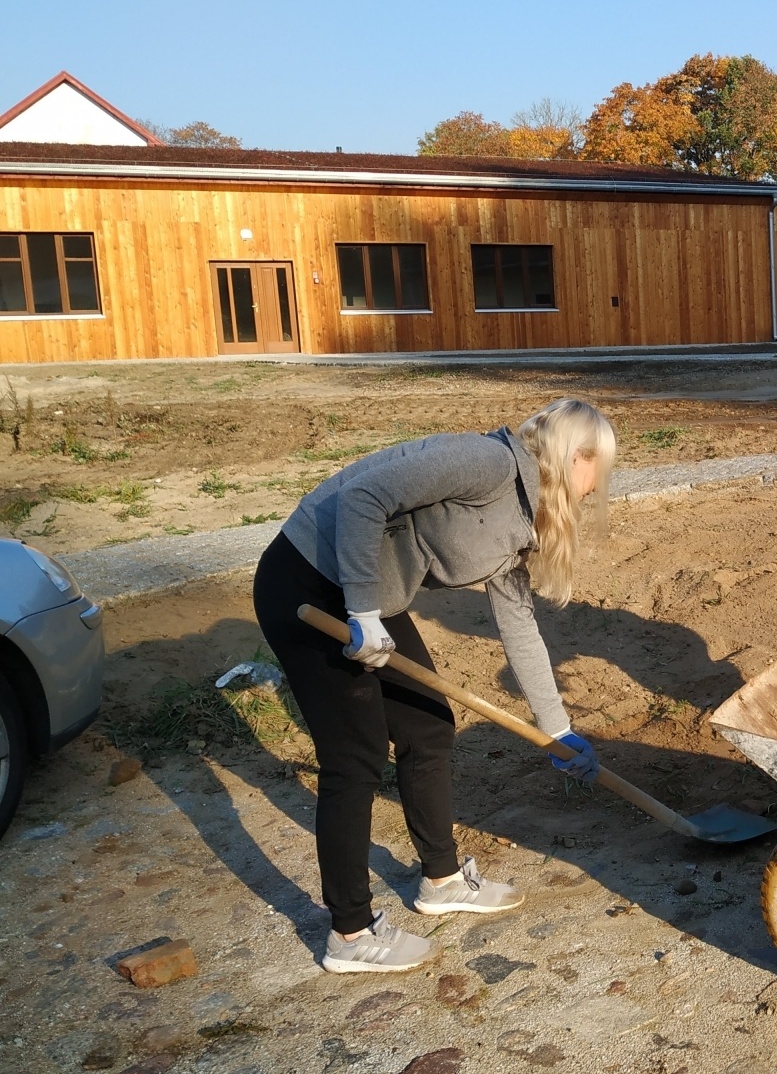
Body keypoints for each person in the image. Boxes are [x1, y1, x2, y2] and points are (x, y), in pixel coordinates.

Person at [253, 398, 615, 974]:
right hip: (310, 583)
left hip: (368, 595)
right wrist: (362, 611)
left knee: (428, 726)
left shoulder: (524, 514)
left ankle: (441, 881)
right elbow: (362, 497)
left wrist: (557, 730)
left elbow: (518, 623)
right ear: (576, 455)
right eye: (599, 468)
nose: (595, 488)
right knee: (355, 757)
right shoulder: (486, 464)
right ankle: (349, 933)